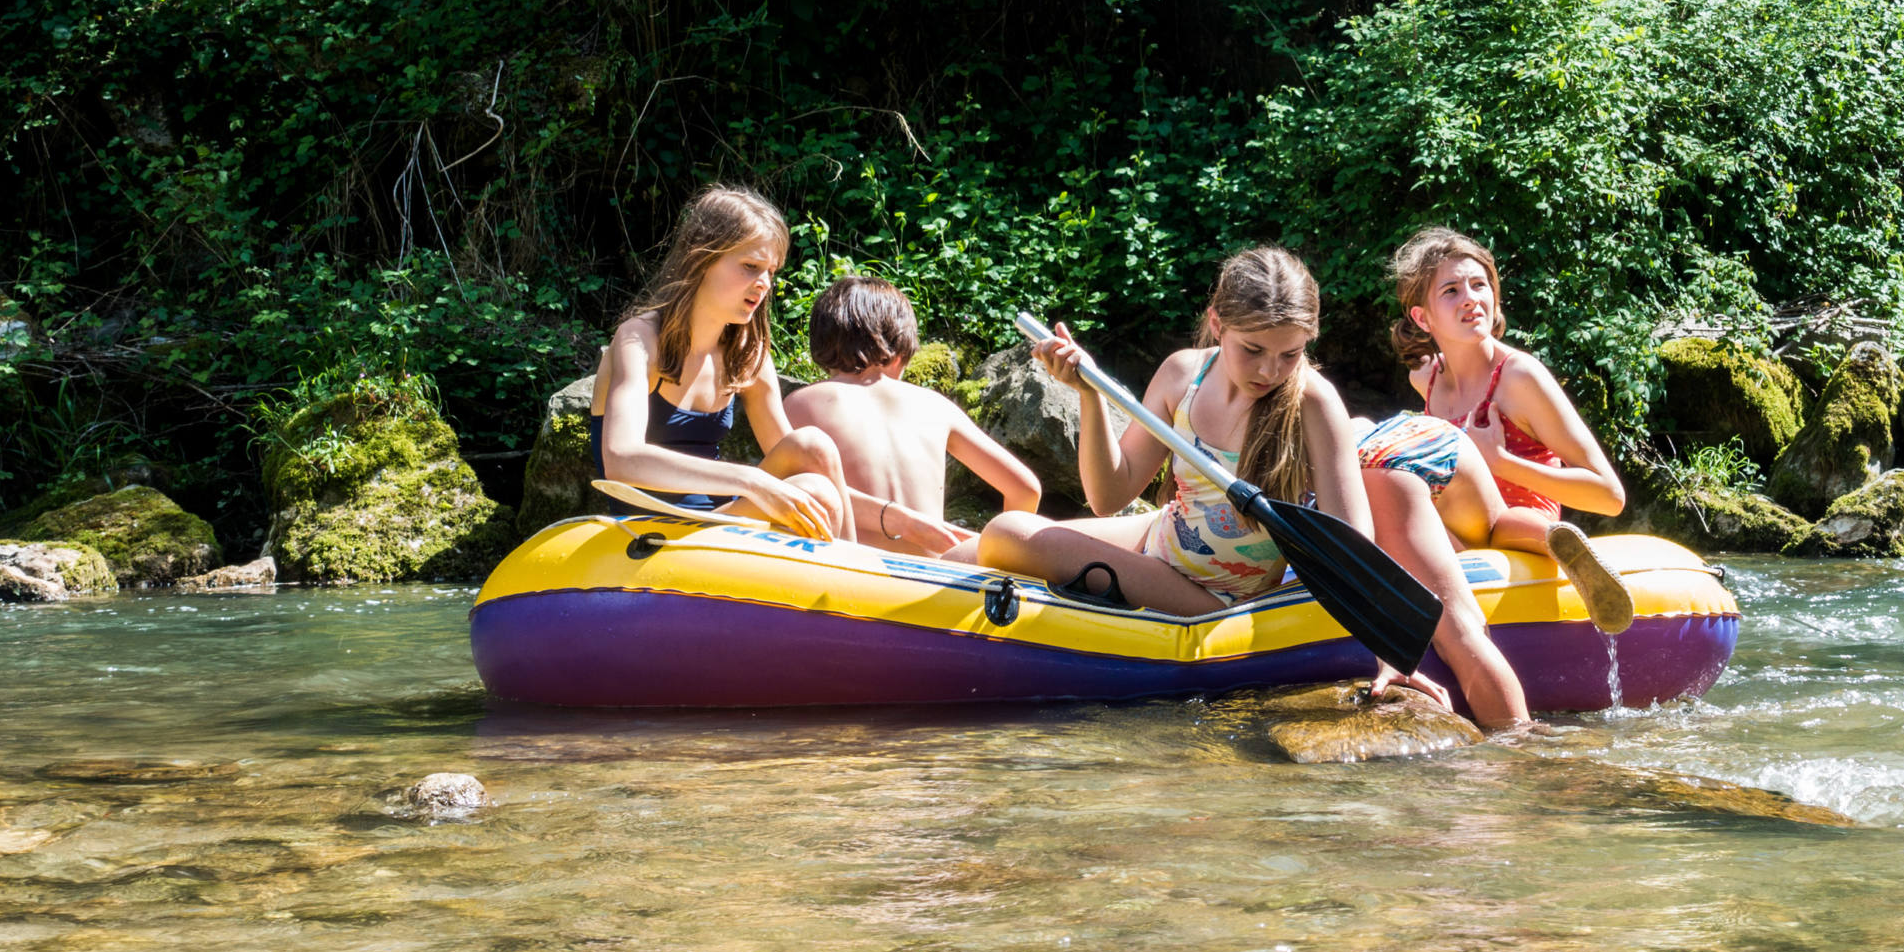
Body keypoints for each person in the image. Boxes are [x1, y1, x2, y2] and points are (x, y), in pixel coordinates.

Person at [979, 247, 1388, 620]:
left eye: (1290, 354)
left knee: (1008, 533)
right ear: (1217, 323)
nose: (1270, 371)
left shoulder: (1313, 403)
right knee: (971, 550)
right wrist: (1091, 395)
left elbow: (1352, 550)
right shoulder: (1183, 375)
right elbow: (1108, 497)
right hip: (1163, 539)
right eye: (1252, 350)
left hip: (1217, 599)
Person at [1375, 224, 1631, 626]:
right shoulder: (1425, 379)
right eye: (1451, 291)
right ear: (1422, 318)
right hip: (1456, 531)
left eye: (1480, 285)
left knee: (1500, 522)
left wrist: (1502, 461)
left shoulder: (1518, 378)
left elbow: (1610, 497)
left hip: (1519, 525)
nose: (1471, 300)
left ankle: (1563, 549)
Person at [588, 185, 853, 539]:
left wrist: (895, 517)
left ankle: (861, 568)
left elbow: (816, 464)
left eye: (770, 272)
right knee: (814, 492)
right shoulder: (640, 339)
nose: (764, 284)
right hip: (650, 531)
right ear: (702, 258)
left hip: (718, 523)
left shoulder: (747, 353)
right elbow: (621, 458)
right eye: (750, 267)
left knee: (812, 446)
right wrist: (751, 480)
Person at [782, 275, 1040, 559]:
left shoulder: (801, 403)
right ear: (901, 350)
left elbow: (789, 492)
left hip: (854, 573)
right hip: (930, 579)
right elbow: (1025, 489)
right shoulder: (934, 406)